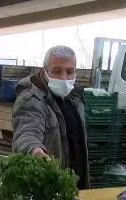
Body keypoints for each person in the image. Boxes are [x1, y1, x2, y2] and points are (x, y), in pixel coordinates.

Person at [12, 45, 89, 189]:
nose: (64, 77)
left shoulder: (75, 99)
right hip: (49, 188)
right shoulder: (30, 100)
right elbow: (26, 131)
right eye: (57, 71)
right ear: (44, 72)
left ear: (75, 72)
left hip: (76, 186)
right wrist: (34, 150)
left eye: (69, 71)